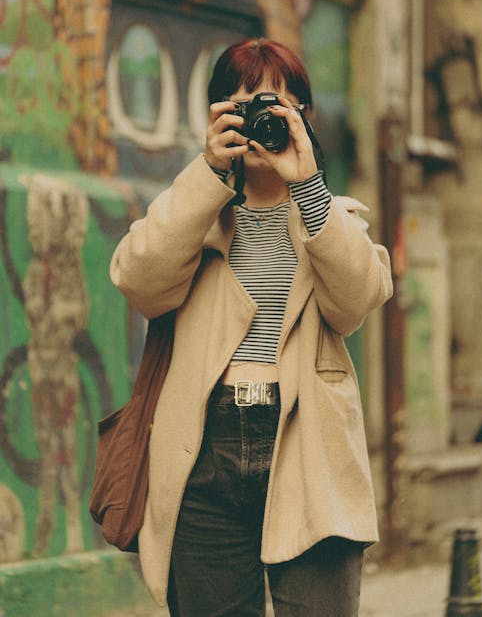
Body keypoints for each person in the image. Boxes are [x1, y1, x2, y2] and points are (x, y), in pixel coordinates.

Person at [110, 38, 393, 617]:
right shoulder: (194, 218)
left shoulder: (330, 218)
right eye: (243, 106)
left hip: (308, 439)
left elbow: (356, 301)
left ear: (302, 120)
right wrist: (208, 171)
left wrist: (308, 187)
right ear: (217, 118)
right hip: (204, 449)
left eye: (276, 106)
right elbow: (138, 279)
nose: (261, 121)